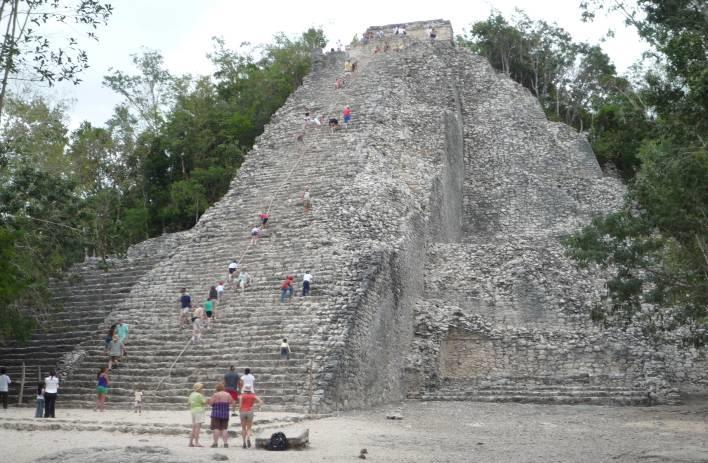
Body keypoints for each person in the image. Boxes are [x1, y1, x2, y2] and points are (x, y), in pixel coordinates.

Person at [208, 383, 235, 448]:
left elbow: (211, 403)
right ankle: (225, 443)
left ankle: (215, 443)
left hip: (216, 413)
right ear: (223, 388)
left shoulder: (215, 394)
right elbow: (232, 402)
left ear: (217, 388)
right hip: (225, 413)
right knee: (224, 428)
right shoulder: (228, 394)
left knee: (216, 428)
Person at [188, 382, 207, 447]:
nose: (203, 389)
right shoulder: (200, 395)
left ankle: (190, 442)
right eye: (202, 388)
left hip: (193, 411)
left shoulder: (191, 394)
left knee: (193, 427)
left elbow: (189, 403)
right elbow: (204, 402)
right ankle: (196, 442)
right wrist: (204, 396)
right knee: (198, 428)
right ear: (199, 388)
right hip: (199, 411)